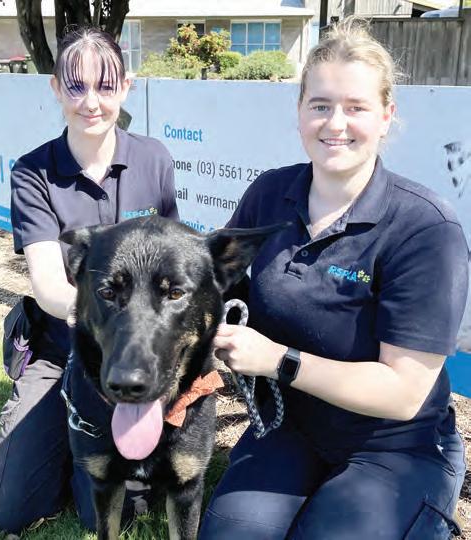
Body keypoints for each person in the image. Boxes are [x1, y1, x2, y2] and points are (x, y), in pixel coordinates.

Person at [199, 18, 468, 540]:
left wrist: (277, 360)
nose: (335, 123)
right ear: (300, 111)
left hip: (395, 444)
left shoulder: (425, 228)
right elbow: (210, 279)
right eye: (320, 105)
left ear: (386, 115)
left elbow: (402, 393)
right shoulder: (269, 194)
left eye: (356, 107)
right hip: (292, 425)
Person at [0, 27, 178, 534]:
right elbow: (50, 288)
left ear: (126, 87)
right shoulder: (33, 172)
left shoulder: (154, 159)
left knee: (106, 514)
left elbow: (168, 266)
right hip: (61, 348)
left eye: (105, 86)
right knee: (11, 509)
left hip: (132, 355)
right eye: (76, 86)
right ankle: (33, 435)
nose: (91, 101)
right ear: (55, 88)